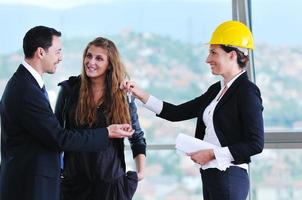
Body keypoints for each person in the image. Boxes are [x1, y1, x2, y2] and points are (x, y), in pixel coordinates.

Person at [121, 20, 264, 200]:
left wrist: (212, 153)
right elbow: (176, 113)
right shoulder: (216, 90)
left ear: (232, 55)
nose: (207, 59)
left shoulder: (247, 91)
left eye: (213, 53)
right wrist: (140, 94)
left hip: (229, 175)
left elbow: (256, 143)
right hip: (212, 175)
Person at [0, 26, 134, 200]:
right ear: (41, 52)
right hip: (30, 186)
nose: (60, 57)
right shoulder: (27, 90)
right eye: (57, 52)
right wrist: (107, 132)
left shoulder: (25, 83)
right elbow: (59, 138)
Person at [55, 37, 146, 200]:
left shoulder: (123, 96)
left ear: (110, 64)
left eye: (99, 58)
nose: (91, 62)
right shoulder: (69, 91)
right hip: (73, 185)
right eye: (88, 56)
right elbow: (56, 136)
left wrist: (140, 172)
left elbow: (137, 137)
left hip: (111, 187)